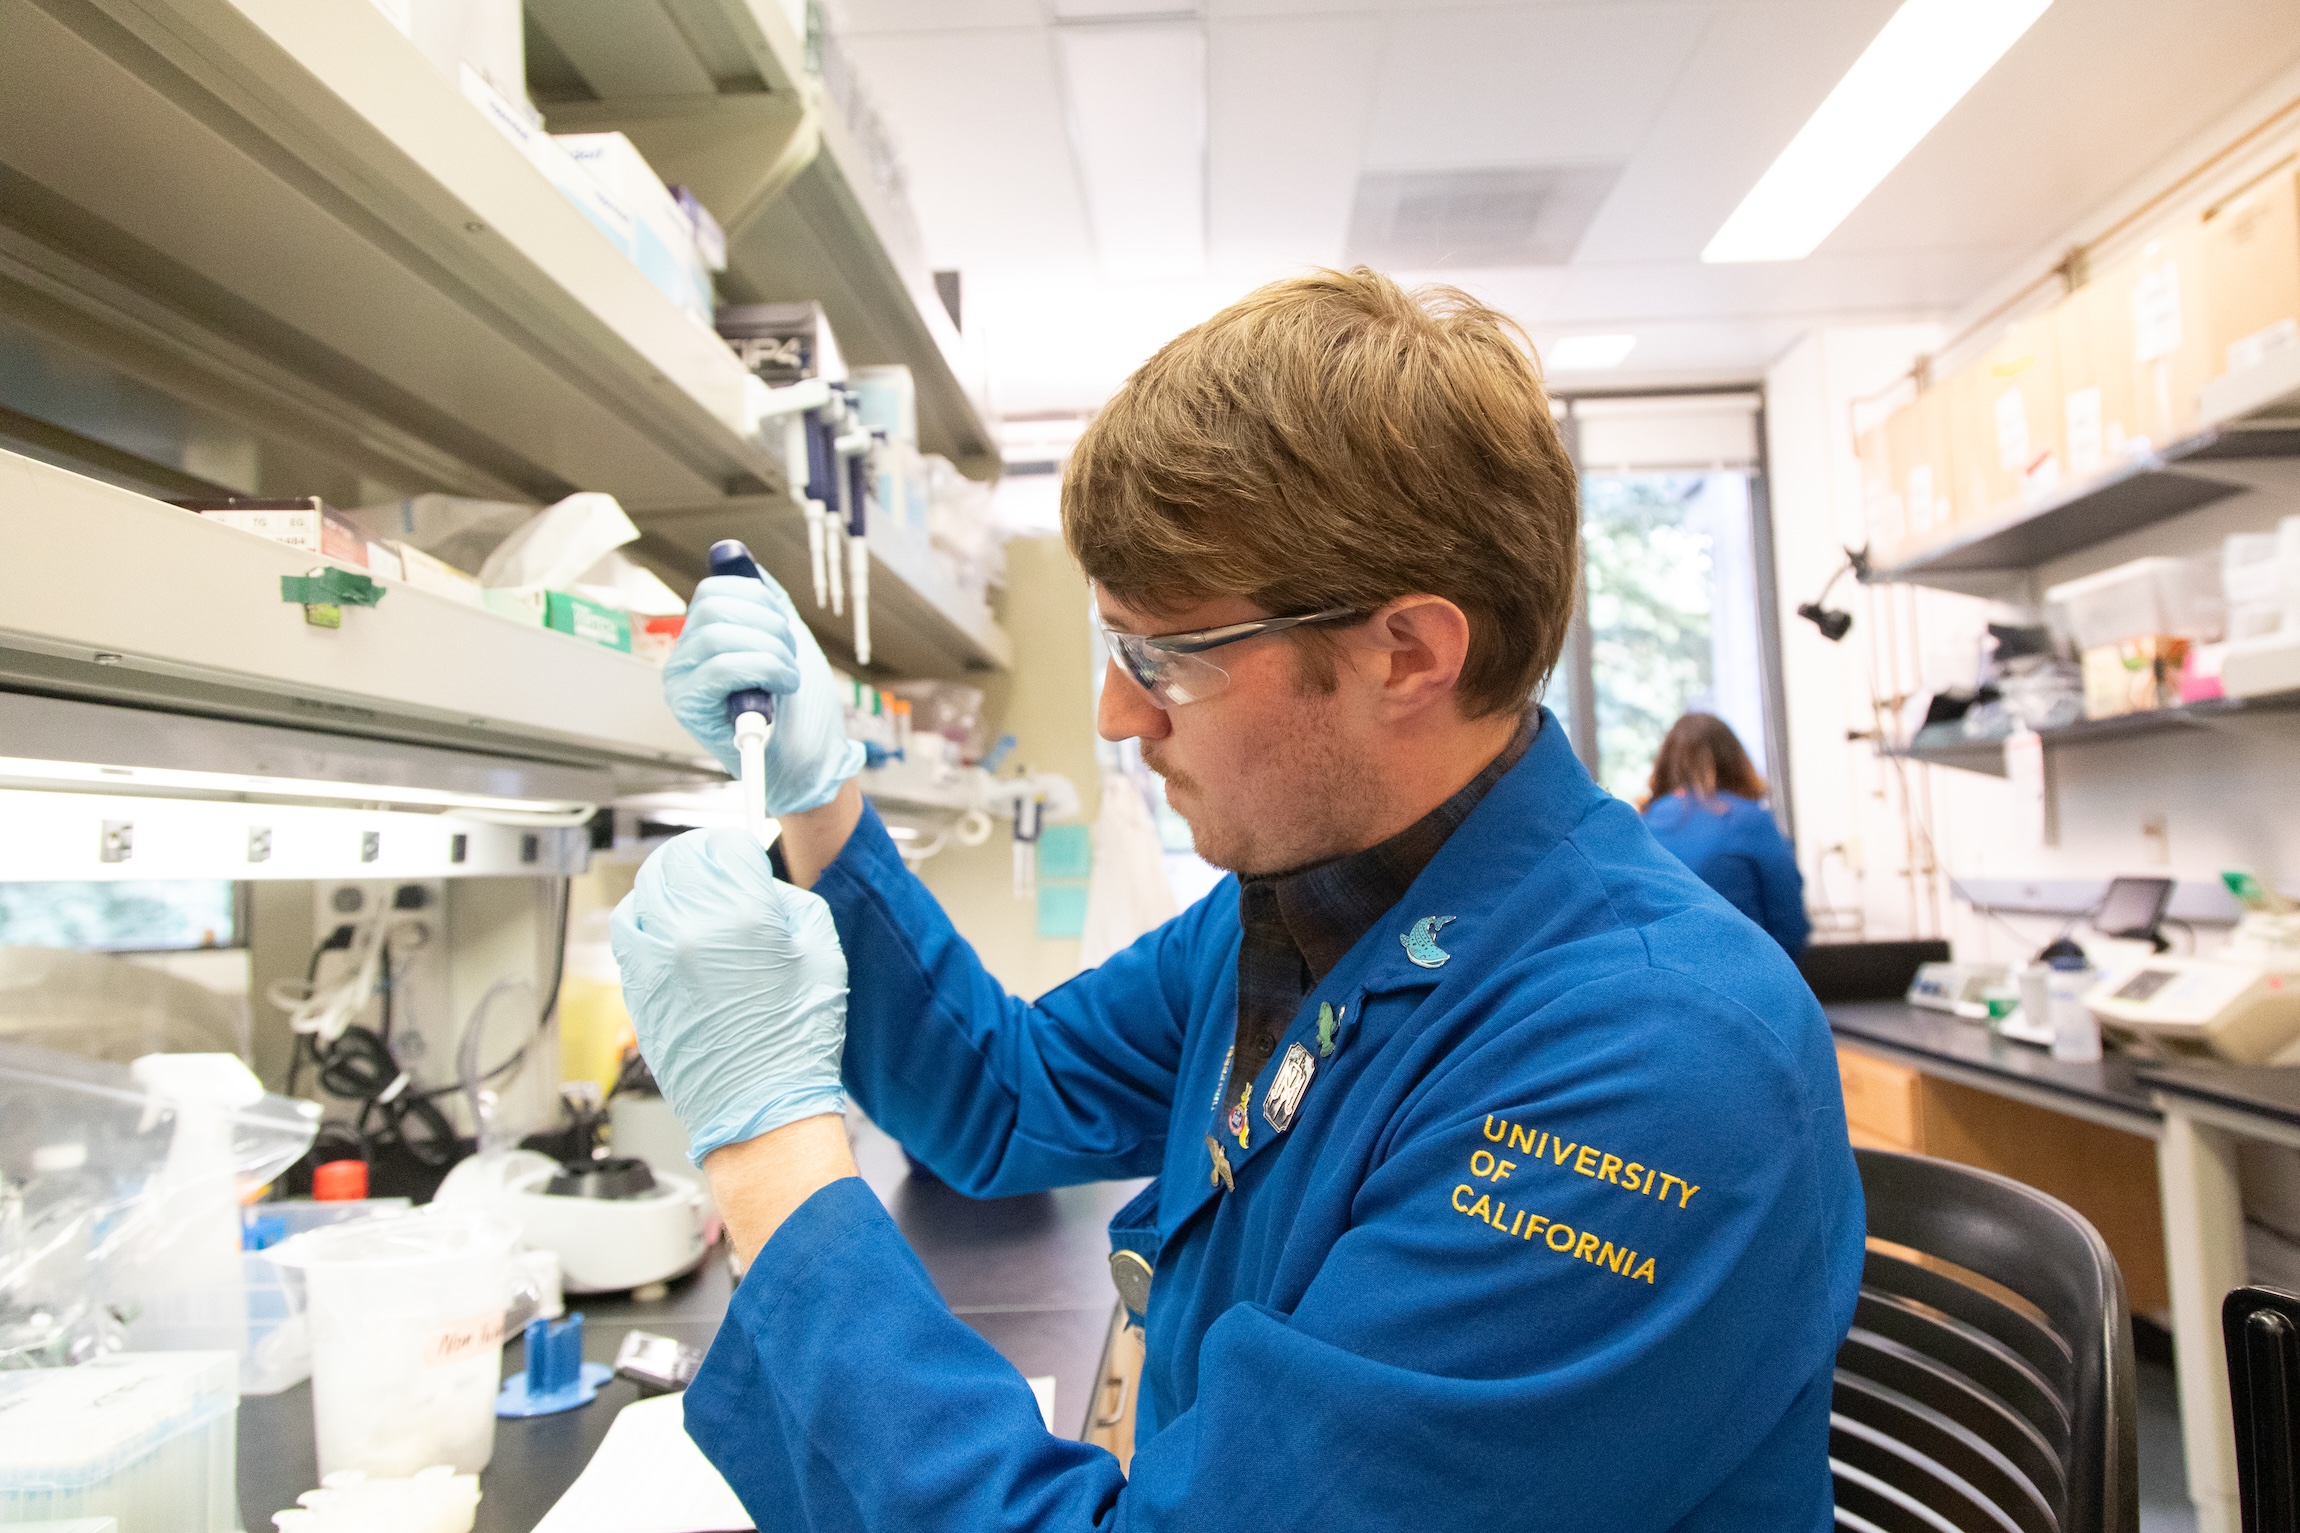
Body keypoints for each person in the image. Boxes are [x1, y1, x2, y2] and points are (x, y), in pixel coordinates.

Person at [611, 269, 1864, 1531]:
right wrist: (822, 807)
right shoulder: (1314, 905)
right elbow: (1004, 1101)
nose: (1117, 715)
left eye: (1163, 656)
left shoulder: (1653, 1060)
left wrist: (767, 1161)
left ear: (1407, 654)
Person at [1641, 714, 1811, 956]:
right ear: (1736, 761)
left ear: (1665, 763)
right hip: (1743, 977)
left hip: (1660, 983)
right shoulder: (1751, 821)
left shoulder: (1643, 825)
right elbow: (1790, 924)